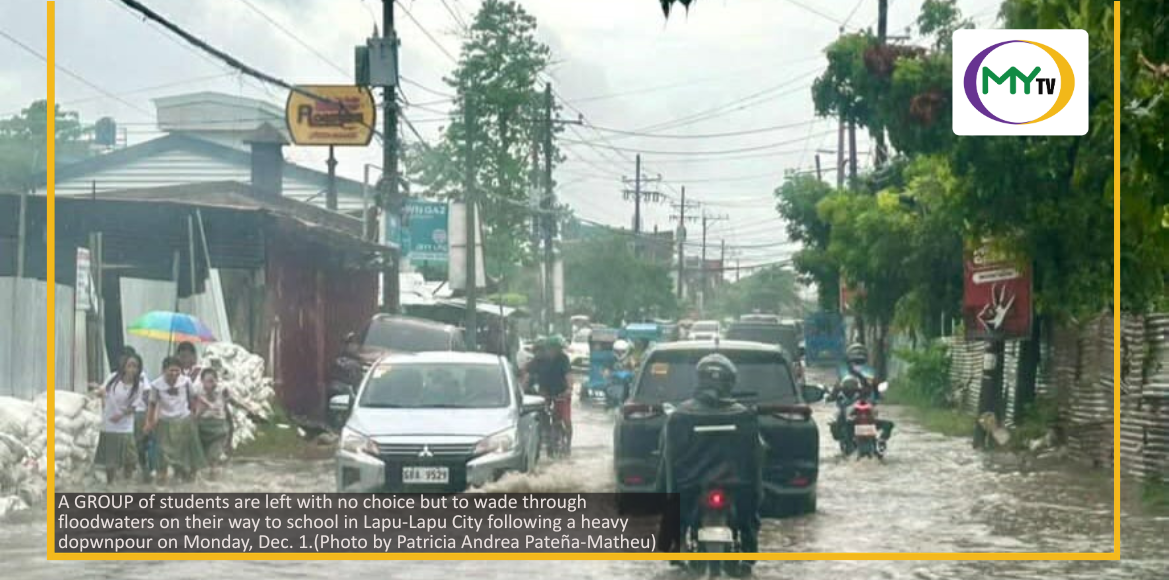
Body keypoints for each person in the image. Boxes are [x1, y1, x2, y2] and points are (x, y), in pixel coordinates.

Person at [655, 354, 763, 564]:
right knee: (749, 521)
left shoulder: (679, 416)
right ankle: (749, 551)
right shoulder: (744, 416)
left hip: (689, 488)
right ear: (730, 383)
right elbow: (755, 459)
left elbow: (667, 463)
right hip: (737, 487)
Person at [145, 356, 205, 484]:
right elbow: (152, 404)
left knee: (186, 456)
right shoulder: (156, 385)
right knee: (162, 455)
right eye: (171, 370)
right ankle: (161, 484)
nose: (174, 374)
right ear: (164, 370)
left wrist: (195, 414)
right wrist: (149, 422)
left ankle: (187, 484)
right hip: (164, 423)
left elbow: (193, 399)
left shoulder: (186, 382)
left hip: (184, 422)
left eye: (177, 370)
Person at [93, 353, 146, 484]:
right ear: (124, 366)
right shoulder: (113, 378)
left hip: (125, 425)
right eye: (130, 366)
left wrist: (121, 415)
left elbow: (134, 407)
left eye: (136, 366)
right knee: (110, 459)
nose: (132, 369)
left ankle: (127, 482)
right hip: (109, 423)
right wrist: (99, 393)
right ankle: (111, 484)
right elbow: (102, 391)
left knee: (130, 457)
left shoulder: (138, 385)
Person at [533, 335, 573, 447]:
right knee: (542, 414)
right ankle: (544, 435)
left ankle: (568, 444)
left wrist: (569, 389)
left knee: (566, 419)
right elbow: (527, 374)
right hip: (545, 392)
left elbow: (569, 375)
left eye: (557, 349)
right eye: (552, 348)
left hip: (562, 392)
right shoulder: (540, 360)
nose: (554, 351)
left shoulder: (563, 359)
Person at [193, 368, 231, 478]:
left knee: (213, 459)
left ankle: (213, 484)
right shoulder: (197, 391)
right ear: (202, 381)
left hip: (218, 429)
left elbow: (229, 405)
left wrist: (248, 408)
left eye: (214, 380)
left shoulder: (222, 391)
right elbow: (195, 411)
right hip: (202, 427)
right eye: (208, 381)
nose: (212, 384)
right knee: (200, 459)